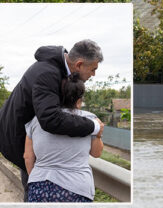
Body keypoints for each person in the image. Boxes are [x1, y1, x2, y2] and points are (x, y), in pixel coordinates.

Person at [0, 39, 104, 202]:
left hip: (27, 136)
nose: (93, 75)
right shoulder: (48, 73)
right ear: (79, 64)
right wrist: (93, 126)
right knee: (34, 185)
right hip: (16, 137)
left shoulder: (56, 69)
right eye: (93, 69)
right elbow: (51, 119)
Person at [24, 72, 103, 202]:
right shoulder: (91, 119)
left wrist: (37, 180)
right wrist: (98, 136)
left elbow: (28, 157)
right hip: (77, 188)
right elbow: (96, 153)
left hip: (39, 186)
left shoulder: (37, 120)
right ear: (79, 100)